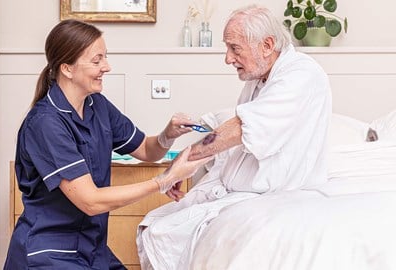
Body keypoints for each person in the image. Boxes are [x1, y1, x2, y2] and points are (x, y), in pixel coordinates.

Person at [3, 19, 212, 270]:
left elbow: (146, 150)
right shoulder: (45, 123)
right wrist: (163, 181)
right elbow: (90, 200)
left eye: (105, 57)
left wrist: (168, 135)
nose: (107, 67)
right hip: (50, 252)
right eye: (97, 60)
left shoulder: (97, 105)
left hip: (92, 249)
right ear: (67, 68)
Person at [138, 4, 332, 269]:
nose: (227, 58)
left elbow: (240, 128)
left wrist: (184, 160)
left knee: (165, 231)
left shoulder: (300, 75)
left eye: (234, 48)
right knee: (155, 222)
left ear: (267, 45)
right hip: (237, 188)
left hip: (271, 194)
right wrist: (182, 166)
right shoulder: (258, 77)